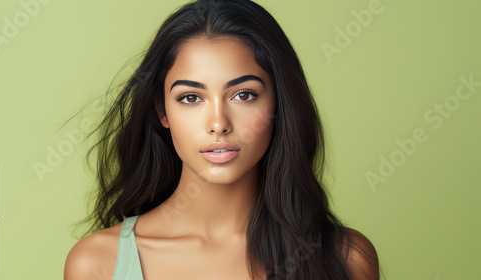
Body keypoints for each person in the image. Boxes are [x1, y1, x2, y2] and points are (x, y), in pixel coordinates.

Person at [64, 0, 381, 279]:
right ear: (162, 110)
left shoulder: (346, 260)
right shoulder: (96, 265)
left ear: (278, 104)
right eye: (190, 98)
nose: (218, 124)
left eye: (244, 95)